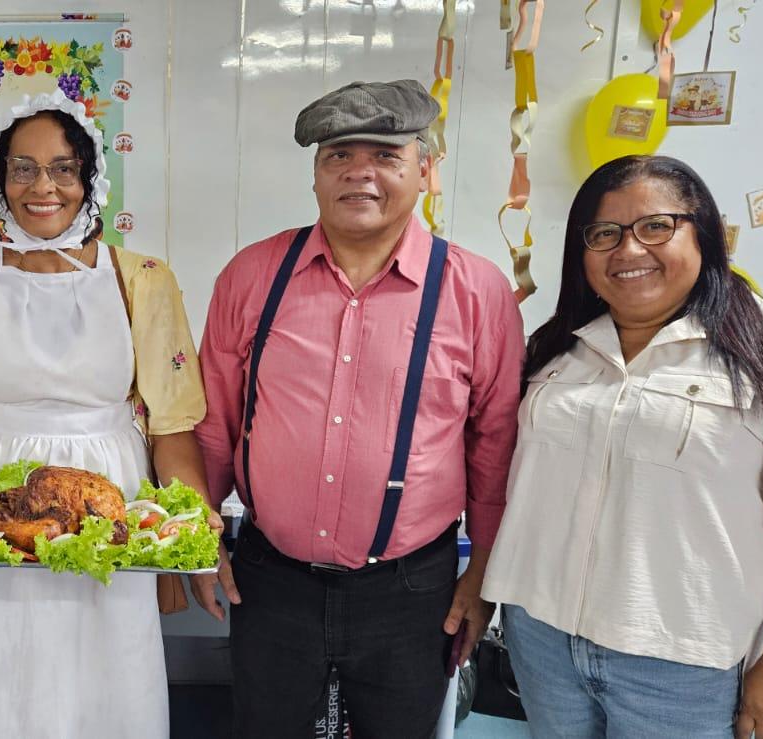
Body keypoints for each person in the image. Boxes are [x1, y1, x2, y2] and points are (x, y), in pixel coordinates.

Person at [481, 155, 763, 739]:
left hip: (684, 661)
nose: (628, 250)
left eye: (655, 227)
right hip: (543, 638)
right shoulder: (557, 349)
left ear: (704, 233)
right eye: (604, 234)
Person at [0, 92, 213, 738]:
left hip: (109, 501)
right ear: (2, 180)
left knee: (106, 681)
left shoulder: (143, 279)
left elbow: (172, 428)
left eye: (63, 168)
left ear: (90, 177)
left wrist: (185, 542)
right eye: (22, 168)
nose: (43, 186)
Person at [194, 79, 526, 738]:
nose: (358, 173)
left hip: (412, 591)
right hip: (270, 579)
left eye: (385, 155)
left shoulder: (477, 290)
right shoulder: (251, 276)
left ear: (426, 171)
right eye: (338, 156)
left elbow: (495, 445)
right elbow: (213, 423)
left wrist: (483, 573)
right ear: (316, 175)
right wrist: (198, 543)